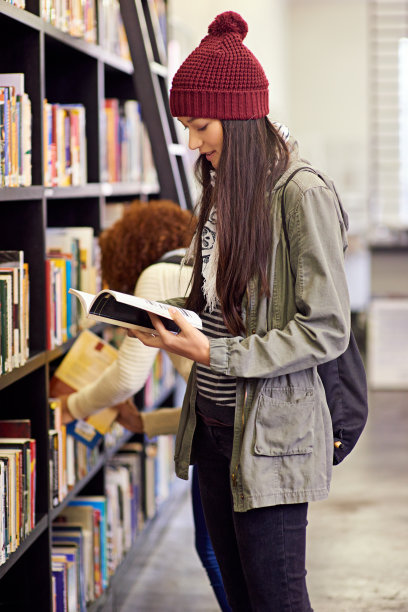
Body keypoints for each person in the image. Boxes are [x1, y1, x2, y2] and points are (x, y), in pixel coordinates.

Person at [128, 11, 351, 612]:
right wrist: (162, 315)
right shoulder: (221, 185)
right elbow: (220, 303)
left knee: (277, 601)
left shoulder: (302, 194)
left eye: (201, 125)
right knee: (239, 599)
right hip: (213, 428)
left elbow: (325, 327)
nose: (193, 142)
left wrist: (215, 352)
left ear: (242, 117)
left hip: (272, 436)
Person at [59, 199, 231, 612]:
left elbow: (127, 378)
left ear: (130, 252)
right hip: (233, 430)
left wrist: (72, 407)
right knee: (237, 557)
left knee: (217, 554)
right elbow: (211, 397)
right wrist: (146, 424)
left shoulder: (157, 276)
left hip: (225, 442)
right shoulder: (192, 269)